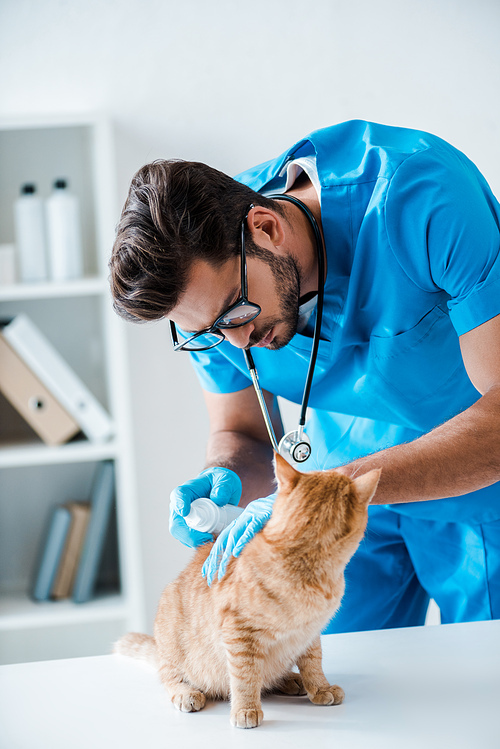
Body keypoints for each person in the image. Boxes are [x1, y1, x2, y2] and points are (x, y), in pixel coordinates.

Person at [109, 120, 500, 633]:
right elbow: (243, 434)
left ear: (266, 228)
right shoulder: (207, 301)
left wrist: (328, 492)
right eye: (206, 332)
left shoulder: (423, 197)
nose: (237, 342)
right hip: (341, 479)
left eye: (236, 315)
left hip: (472, 479)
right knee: (334, 682)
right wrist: (224, 475)